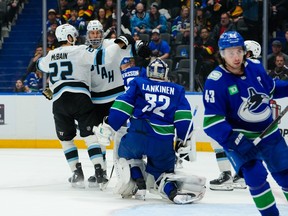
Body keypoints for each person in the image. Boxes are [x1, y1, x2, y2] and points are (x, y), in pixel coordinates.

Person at [36, 23, 137, 189]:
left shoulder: (51, 54)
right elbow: (102, 58)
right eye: (73, 36)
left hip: (59, 101)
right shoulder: (80, 49)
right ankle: (99, 171)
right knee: (91, 136)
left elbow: (40, 64)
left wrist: (53, 84)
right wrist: (119, 44)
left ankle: (76, 173)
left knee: (66, 139)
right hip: (80, 98)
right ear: (69, 37)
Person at [95, 58, 206, 204]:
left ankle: (138, 179)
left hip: (137, 135)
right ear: (165, 73)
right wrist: (182, 141)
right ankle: (172, 193)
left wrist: (110, 125)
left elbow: (123, 105)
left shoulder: (138, 83)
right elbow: (184, 119)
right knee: (162, 173)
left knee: (126, 155)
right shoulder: (177, 90)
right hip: (162, 142)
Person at [203, 31, 288, 216]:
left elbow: (271, 89)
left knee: (286, 175)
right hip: (239, 138)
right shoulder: (215, 81)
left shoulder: (255, 67)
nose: (236, 56)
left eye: (239, 51)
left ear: (244, 51)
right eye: (230, 52)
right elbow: (212, 123)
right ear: (222, 53)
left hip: (269, 134)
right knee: (255, 177)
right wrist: (236, 140)